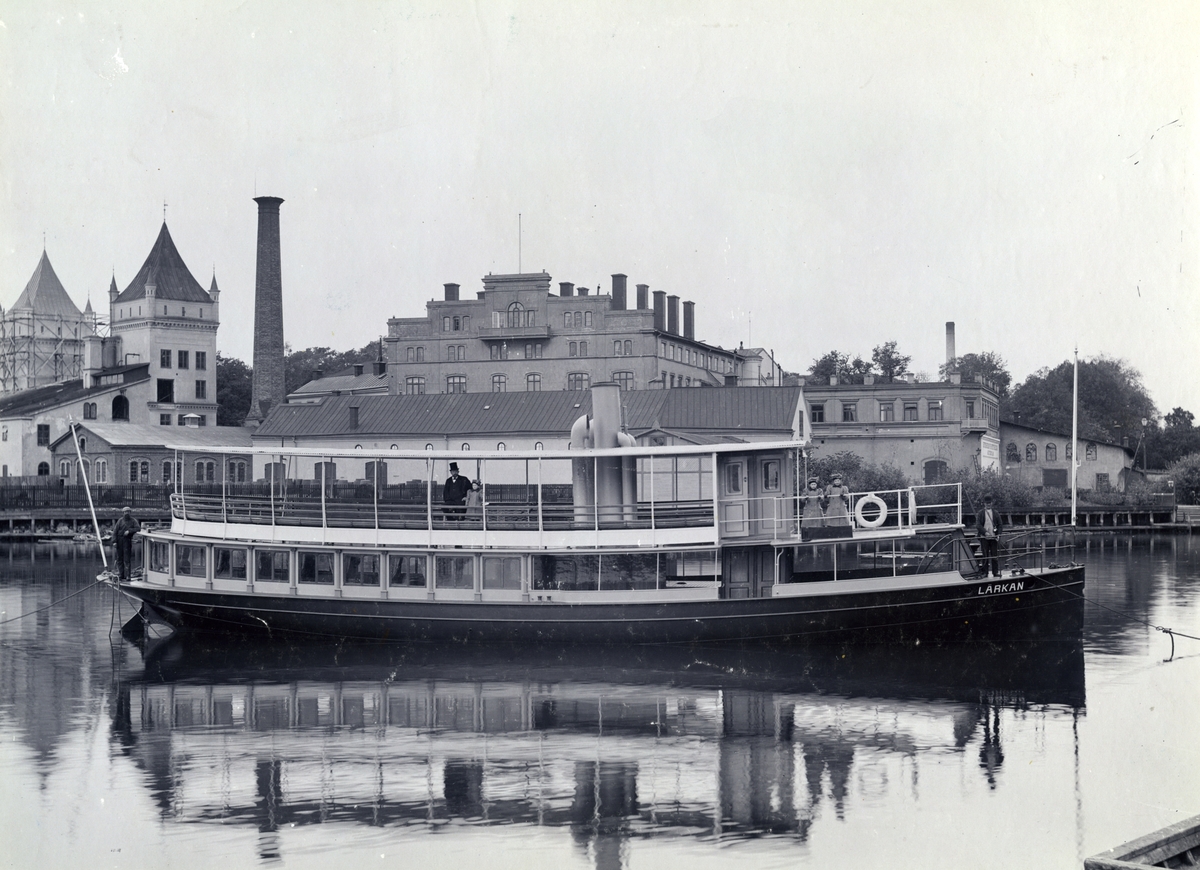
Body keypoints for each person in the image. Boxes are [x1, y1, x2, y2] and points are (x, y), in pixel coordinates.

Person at [976, 495, 1003, 577]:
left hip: (994, 538)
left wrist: (998, 534)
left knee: (995, 555)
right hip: (984, 538)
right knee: (985, 556)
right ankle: (985, 573)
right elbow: (978, 525)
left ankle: (995, 572)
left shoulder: (996, 513)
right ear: (984, 503)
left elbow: (1000, 524)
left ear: (992, 503)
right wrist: (985, 532)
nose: (988, 504)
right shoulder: (980, 513)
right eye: (987, 503)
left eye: (989, 503)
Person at [112, 506, 141, 581]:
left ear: (130, 512)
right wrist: (114, 541)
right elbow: (115, 532)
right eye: (125, 512)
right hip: (119, 541)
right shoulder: (120, 521)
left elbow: (138, 528)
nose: (126, 513)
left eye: (128, 512)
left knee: (127, 559)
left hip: (127, 541)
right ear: (123, 513)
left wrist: (129, 531)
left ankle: (128, 575)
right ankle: (121, 575)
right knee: (119, 559)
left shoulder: (133, 521)